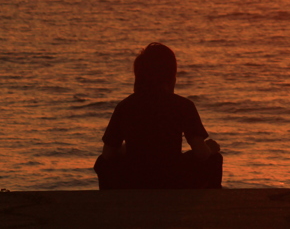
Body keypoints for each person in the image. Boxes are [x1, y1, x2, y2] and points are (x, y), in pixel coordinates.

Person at [94, 42, 222, 189]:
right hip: (172, 180)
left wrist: (126, 148)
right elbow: (201, 154)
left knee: (102, 163)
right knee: (215, 159)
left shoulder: (125, 106)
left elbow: (108, 154)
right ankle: (210, 206)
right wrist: (210, 148)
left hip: (134, 179)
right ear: (170, 77)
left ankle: (110, 204)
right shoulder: (182, 105)